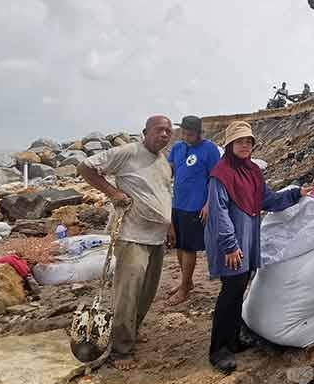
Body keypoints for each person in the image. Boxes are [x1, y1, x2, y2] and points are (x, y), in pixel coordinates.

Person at [205, 120, 310, 373]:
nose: (245, 145)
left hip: (248, 237)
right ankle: (219, 350)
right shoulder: (221, 174)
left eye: (248, 141)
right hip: (230, 242)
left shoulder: (252, 171)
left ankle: (233, 339)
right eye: (239, 141)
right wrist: (230, 245)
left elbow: (268, 200)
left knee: (239, 287)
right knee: (230, 292)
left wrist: (297, 193)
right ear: (229, 145)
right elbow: (219, 213)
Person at [77, 115, 174, 369]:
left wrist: (170, 225)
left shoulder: (163, 161)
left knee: (147, 291)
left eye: (167, 131)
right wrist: (112, 192)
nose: (164, 134)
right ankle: (120, 349)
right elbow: (86, 167)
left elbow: (163, 195)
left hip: (156, 237)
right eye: (159, 130)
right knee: (128, 292)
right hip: (132, 235)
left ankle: (132, 333)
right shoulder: (129, 152)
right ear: (145, 132)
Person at [165, 115, 220, 305]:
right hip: (177, 203)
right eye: (184, 133)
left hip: (195, 206)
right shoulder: (178, 147)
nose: (187, 137)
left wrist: (208, 204)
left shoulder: (210, 149)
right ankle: (185, 282)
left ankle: (185, 287)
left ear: (199, 133)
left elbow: (216, 179)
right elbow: (169, 170)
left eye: (191, 134)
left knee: (189, 248)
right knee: (179, 246)